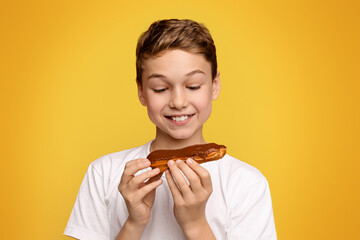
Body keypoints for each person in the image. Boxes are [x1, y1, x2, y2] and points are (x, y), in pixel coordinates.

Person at [64, 19, 277, 240]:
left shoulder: (247, 184)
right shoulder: (104, 173)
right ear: (142, 92)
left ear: (214, 85)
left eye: (193, 86)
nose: (178, 101)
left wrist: (195, 224)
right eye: (161, 88)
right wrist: (134, 223)